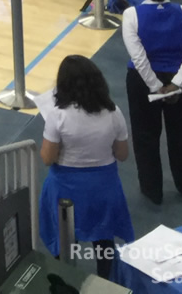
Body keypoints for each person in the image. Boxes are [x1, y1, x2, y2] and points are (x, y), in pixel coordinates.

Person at [36, 55, 133, 276]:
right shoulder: (113, 112)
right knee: (104, 244)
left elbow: (47, 158)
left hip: (66, 191)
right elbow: (123, 154)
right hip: (104, 189)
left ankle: (65, 283)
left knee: (65, 244)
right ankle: (106, 285)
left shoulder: (57, 115)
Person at [121, 0, 182, 205]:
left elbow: (138, 56)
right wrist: (177, 84)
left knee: (145, 135)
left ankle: (152, 190)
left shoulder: (131, 15)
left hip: (142, 83)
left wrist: (155, 86)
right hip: (181, 82)